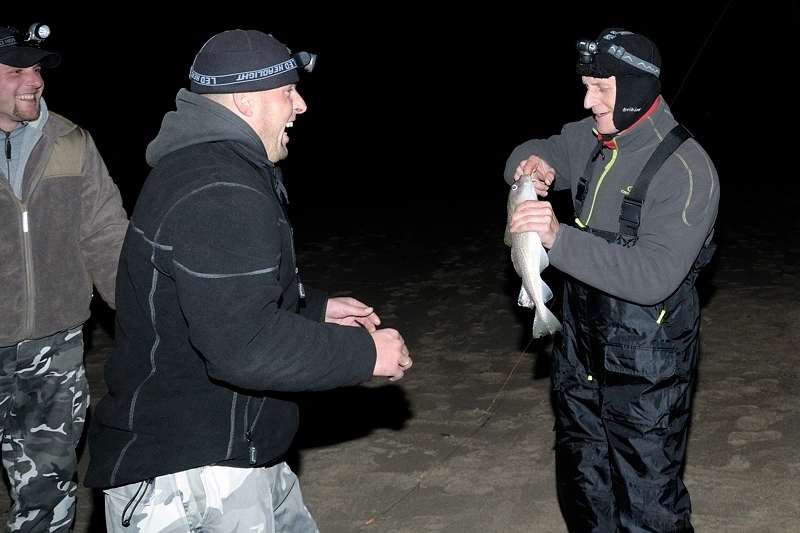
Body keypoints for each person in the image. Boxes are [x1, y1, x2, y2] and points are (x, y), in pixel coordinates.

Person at [84, 29, 412, 532]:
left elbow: (214, 296)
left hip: (242, 447)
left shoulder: (210, 164)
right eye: (287, 92)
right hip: (192, 473)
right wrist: (365, 355)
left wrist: (312, 306)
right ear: (244, 101)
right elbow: (243, 345)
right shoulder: (218, 188)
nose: (300, 105)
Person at [504, 28, 719, 533]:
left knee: (646, 498)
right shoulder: (589, 139)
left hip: (649, 356)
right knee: (585, 481)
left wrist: (558, 235)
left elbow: (653, 277)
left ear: (637, 88)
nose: (587, 100)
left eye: (600, 88)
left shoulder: (687, 170)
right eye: (584, 86)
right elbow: (535, 148)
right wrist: (527, 165)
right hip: (580, 342)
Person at [0, 23, 129, 533]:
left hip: (53, 351)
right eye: (16, 70)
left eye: (37, 68)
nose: (34, 80)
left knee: (48, 489)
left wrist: (147, 315)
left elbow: (107, 234)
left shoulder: (70, 141)